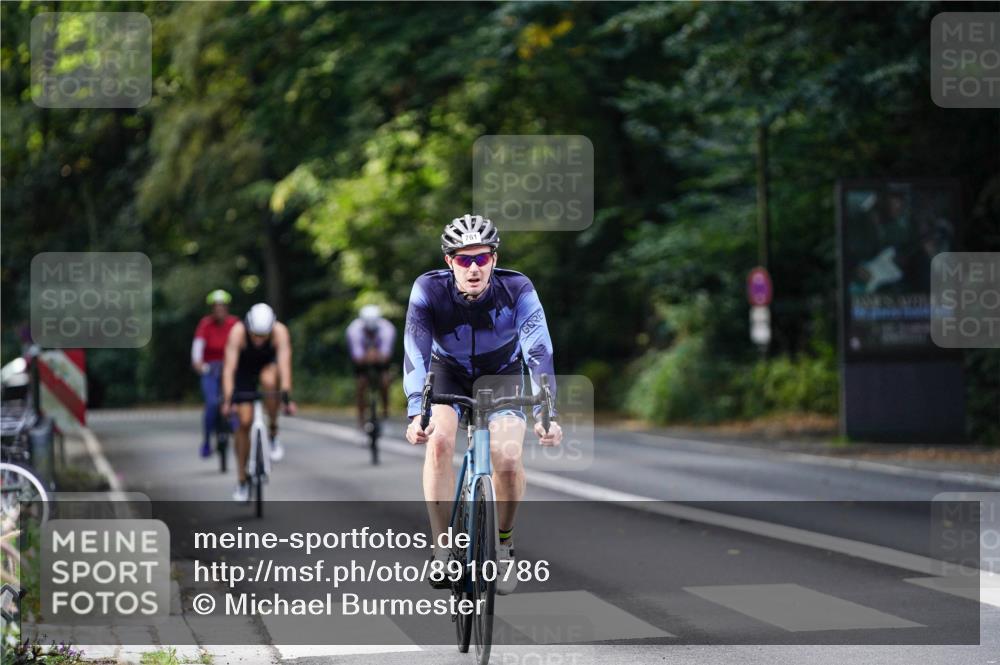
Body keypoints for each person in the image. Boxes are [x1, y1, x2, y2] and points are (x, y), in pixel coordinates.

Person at [403, 213, 563, 595]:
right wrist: (416, 411)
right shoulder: (428, 289)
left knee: (506, 457)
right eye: (463, 259)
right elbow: (414, 352)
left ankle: (504, 546)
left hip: (502, 374)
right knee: (439, 441)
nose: (473, 268)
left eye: (481, 258)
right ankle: (442, 547)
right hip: (448, 372)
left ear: (494, 258)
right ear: (449, 262)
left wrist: (546, 411)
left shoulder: (517, 288)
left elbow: (538, 349)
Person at [220, 303, 297, 502]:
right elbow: (229, 369)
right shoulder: (237, 332)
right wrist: (229, 399)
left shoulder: (280, 332)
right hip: (244, 372)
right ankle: (242, 479)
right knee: (243, 423)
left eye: (264, 336)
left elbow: (285, 366)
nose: (259, 340)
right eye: (255, 335)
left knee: (270, 382)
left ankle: (273, 430)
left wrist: (287, 397)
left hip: (267, 367)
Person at [191, 290, 239, 458]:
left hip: (230, 366)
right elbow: (197, 349)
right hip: (210, 368)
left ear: (227, 307)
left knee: (235, 398)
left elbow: (242, 346)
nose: (219, 309)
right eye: (216, 306)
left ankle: (236, 428)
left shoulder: (234, 324)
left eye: (222, 306)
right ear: (212, 309)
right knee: (211, 403)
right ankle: (206, 441)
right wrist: (199, 365)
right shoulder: (205, 324)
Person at [346, 304, 396, 430]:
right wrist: (371, 356)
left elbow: (386, 355)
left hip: (380, 362)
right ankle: (361, 421)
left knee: (385, 383)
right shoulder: (353, 330)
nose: (371, 334)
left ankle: (385, 415)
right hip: (362, 363)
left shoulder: (388, 329)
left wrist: (373, 356)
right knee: (361, 385)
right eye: (368, 332)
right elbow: (357, 358)